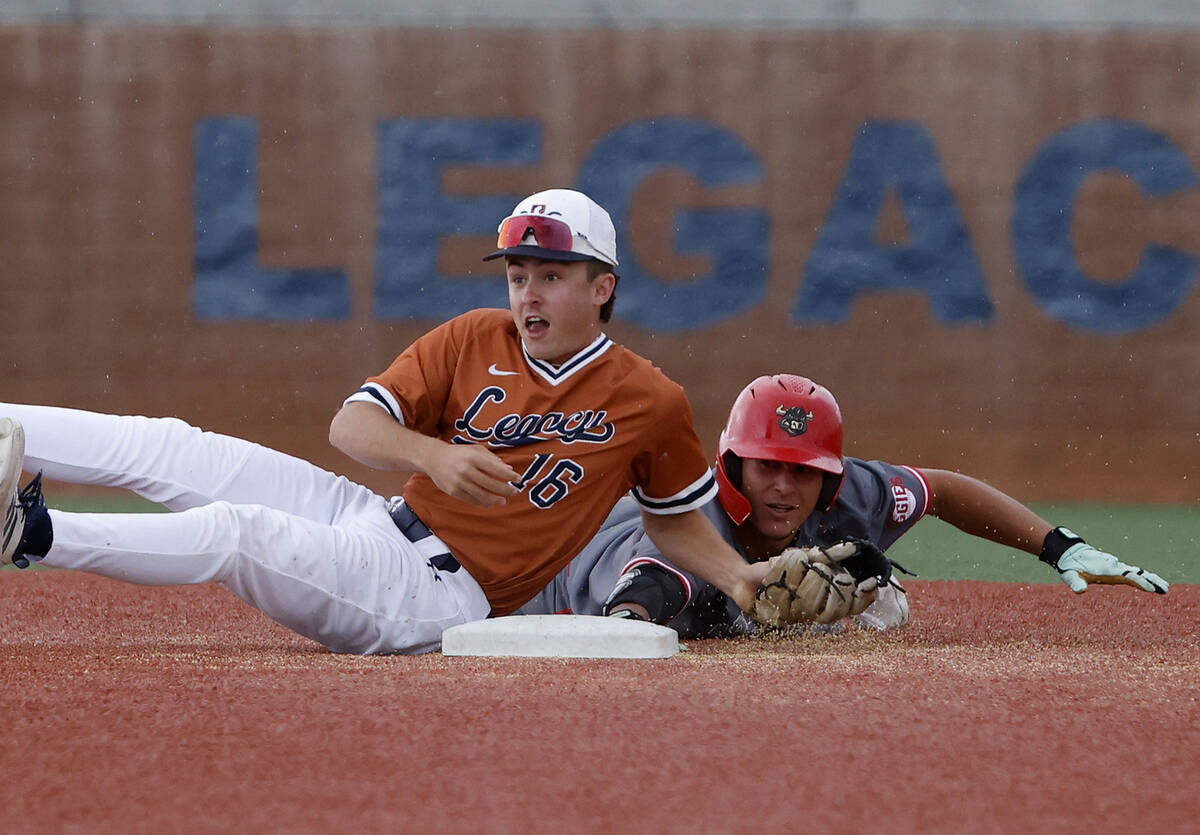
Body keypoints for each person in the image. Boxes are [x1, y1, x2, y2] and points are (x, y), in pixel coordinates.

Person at [0, 188, 770, 654]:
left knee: (237, 532)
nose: (528, 293)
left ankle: (32, 535)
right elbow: (351, 427)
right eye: (518, 274)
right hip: (380, 518)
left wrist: (741, 578)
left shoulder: (651, 399)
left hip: (430, 596)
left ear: (603, 286)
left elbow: (671, 522)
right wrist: (433, 458)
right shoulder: (475, 335)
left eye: (553, 276)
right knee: (168, 444)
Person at [519, 373, 1169, 637]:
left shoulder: (852, 493)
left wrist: (1059, 544)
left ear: (830, 479)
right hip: (539, 574)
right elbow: (637, 603)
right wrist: (639, 618)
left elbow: (941, 488)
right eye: (768, 464)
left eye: (804, 471)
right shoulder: (695, 527)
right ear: (733, 464)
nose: (783, 485)